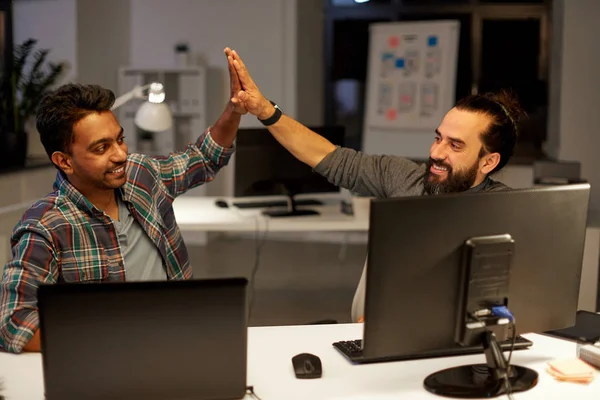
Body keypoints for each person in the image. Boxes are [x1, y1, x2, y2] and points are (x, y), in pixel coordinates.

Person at [225, 48, 527, 323]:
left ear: (488, 162)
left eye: (455, 145)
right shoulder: (403, 178)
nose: (436, 152)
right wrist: (265, 110)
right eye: (438, 138)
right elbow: (328, 156)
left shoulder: (510, 212)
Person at [0, 48, 247, 354]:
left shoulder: (141, 174)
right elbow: (13, 323)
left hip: (179, 338)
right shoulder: (44, 227)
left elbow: (203, 158)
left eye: (119, 139)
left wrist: (234, 110)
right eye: (101, 147)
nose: (120, 154)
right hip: (107, 358)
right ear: (64, 161)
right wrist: (108, 339)